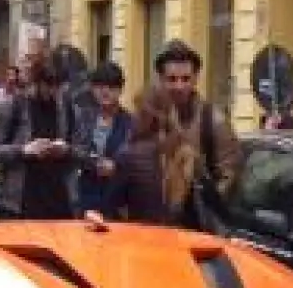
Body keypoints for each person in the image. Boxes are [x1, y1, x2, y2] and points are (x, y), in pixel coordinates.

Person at [0, 56, 88, 219]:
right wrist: (24, 150)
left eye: (59, 86)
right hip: (20, 202)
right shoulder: (11, 106)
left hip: (60, 202)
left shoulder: (70, 110)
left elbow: (83, 151)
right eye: (49, 86)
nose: (54, 92)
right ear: (37, 82)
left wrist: (66, 150)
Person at [154, 40, 239, 222]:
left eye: (186, 79)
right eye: (172, 79)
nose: (179, 86)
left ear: (195, 79)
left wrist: (202, 204)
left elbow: (229, 177)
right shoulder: (152, 118)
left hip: (197, 226)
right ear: (161, 79)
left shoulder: (214, 120)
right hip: (154, 222)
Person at [104, 89, 206, 227]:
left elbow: (111, 208)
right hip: (182, 239)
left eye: (137, 112)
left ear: (145, 118)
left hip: (142, 239)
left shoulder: (129, 155)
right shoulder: (187, 151)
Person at [80, 62, 134, 214]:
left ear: (121, 89)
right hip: (84, 198)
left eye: (111, 88)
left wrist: (117, 167)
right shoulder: (83, 118)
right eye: (100, 87)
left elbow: (134, 159)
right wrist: (92, 162)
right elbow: (75, 150)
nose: (105, 92)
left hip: (116, 202)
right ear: (92, 88)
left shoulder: (131, 123)